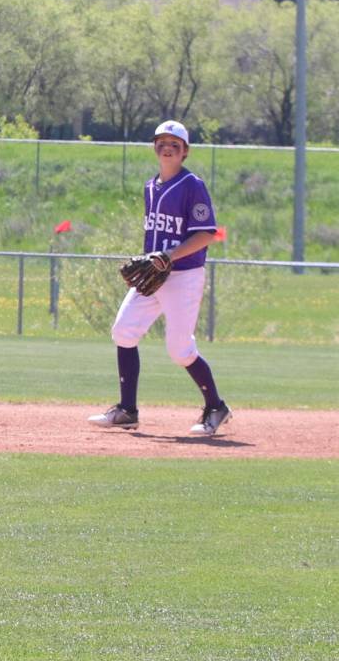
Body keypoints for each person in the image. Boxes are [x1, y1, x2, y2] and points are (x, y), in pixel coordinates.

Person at [88, 119, 232, 436]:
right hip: (154, 275)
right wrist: (152, 261)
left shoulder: (192, 185)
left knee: (179, 350)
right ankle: (127, 410)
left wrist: (169, 256)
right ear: (155, 147)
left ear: (185, 151)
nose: (167, 148)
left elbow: (206, 234)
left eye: (174, 144)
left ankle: (216, 407)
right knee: (124, 331)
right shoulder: (150, 187)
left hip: (184, 275)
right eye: (162, 142)